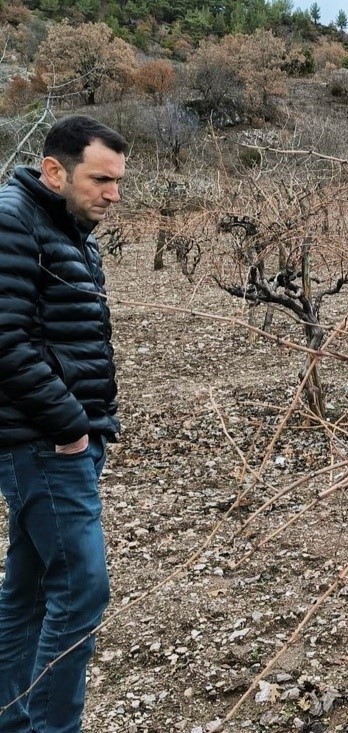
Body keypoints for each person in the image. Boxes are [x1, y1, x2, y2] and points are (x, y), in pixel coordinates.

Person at [0, 115, 127, 733]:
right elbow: (4, 341)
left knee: (25, 594)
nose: (112, 194)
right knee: (80, 589)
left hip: (67, 435)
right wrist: (72, 425)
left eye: (119, 182)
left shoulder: (69, 227)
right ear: (54, 170)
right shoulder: (12, 219)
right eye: (100, 179)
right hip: (44, 442)